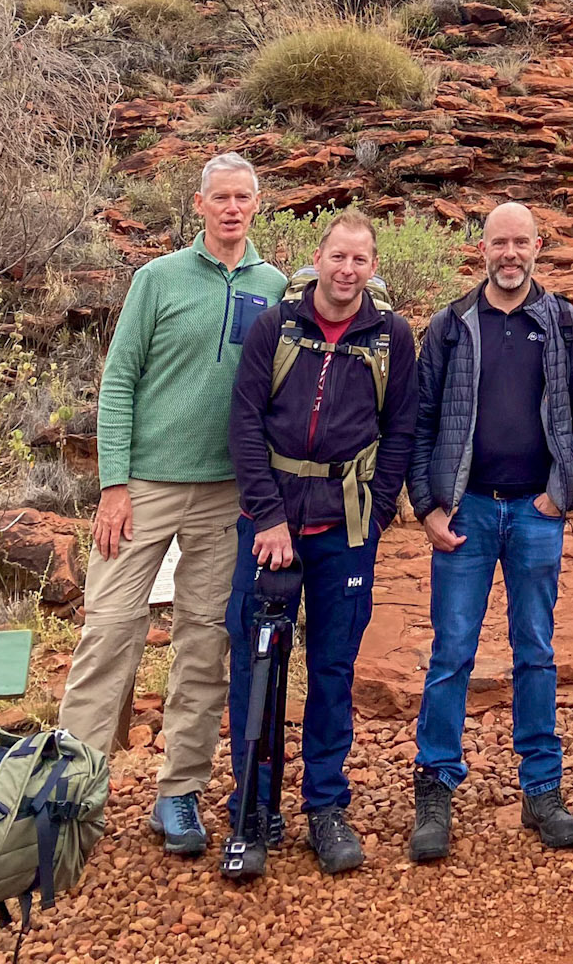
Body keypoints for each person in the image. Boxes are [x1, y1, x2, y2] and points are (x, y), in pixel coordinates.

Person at [58, 153, 289, 857]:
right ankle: (70, 796)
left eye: (242, 197)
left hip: (228, 492)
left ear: (257, 204)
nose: (231, 208)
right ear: (198, 204)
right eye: (219, 197)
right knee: (110, 630)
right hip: (148, 487)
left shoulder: (275, 286)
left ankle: (178, 793)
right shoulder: (156, 280)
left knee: (204, 642)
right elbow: (120, 379)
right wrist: (115, 484)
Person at [407, 200, 573, 858]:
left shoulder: (563, 324)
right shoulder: (450, 326)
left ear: (538, 245)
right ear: (483, 248)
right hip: (465, 511)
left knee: (536, 652)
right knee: (452, 655)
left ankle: (542, 789)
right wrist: (428, 507)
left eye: (522, 242)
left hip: (534, 513)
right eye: (500, 243)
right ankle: (436, 787)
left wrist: (563, 491)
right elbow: (419, 421)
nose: (511, 253)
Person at [224, 209, 417, 874]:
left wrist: (381, 507)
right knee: (257, 664)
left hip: (348, 526)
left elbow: (401, 431)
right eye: (338, 256)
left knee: (334, 667)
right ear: (320, 255)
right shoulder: (276, 327)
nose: (347, 270)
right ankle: (252, 806)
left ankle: (326, 807)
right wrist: (268, 517)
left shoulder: (390, 337)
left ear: (373, 265)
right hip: (270, 523)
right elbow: (245, 422)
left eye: (360, 260)